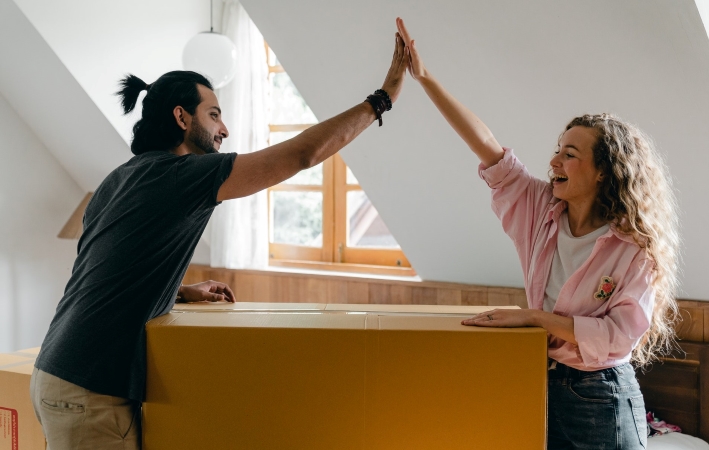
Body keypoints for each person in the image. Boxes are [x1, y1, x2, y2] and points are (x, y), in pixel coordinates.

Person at [30, 32, 408, 450]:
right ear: (181, 118)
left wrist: (181, 290)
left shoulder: (120, 177)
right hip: (90, 390)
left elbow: (108, 273)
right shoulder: (185, 176)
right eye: (214, 114)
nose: (224, 128)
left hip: (56, 370)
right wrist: (382, 99)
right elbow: (303, 155)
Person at [395, 18, 680, 450]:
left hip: (601, 397)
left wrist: (533, 318)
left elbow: (618, 338)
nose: (554, 162)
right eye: (556, 151)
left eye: (570, 154)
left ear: (604, 172)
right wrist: (425, 78)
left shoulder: (634, 248)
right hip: (539, 382)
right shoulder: (539, 210)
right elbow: (486, 143)